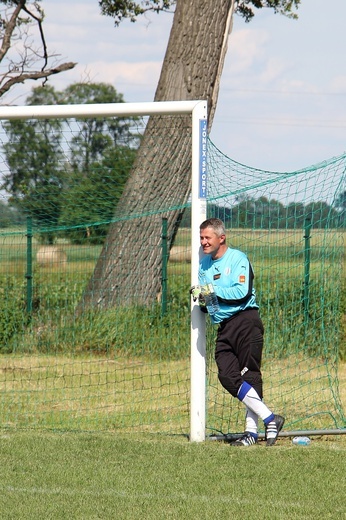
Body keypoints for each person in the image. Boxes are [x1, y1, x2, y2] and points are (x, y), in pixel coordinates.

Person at [190, 218, 285, 446]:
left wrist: (210, 290)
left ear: (221, 238)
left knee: (250, 375)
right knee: (226, 375)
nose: (203, 242)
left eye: (207, 237)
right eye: (201, 238)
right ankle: (271, 418)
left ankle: (251, 433)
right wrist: (203, 301)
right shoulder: (204, 266)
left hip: (246, 321)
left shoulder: (238, 258)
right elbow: (212, 304)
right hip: (225, 327)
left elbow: (242, 292)